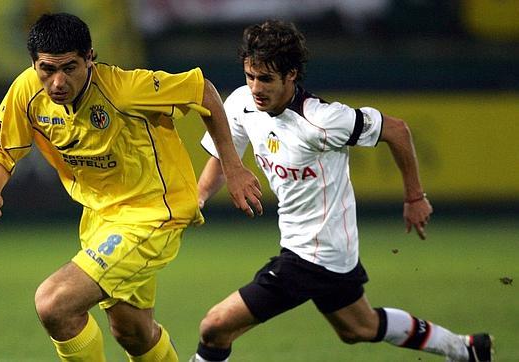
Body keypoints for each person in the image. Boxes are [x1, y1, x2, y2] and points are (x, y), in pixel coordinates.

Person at [191, 20, 492, 362]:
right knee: (358, 328)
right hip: (323, 248)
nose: (256, 87)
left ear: (291, 75)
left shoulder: (322, 121)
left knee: (214, 327)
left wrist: (414, 196)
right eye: (250, 76)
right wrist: (199, 198)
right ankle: (467, 349)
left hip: (313, 255)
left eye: (266, 79)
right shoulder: (242, 103)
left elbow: (397, 130)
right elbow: (224, 152)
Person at [0, 12, 263, 362]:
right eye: (48, 69)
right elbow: (1, 150)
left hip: (153, 214)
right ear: (34, 64)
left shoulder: (125, 88)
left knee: (55, 303)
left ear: (90, 58)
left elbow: (203, 92)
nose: (58, 81)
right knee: (133, 331)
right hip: (100, 218)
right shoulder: (27, 90)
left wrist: (233, 167)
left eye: (70, 67)